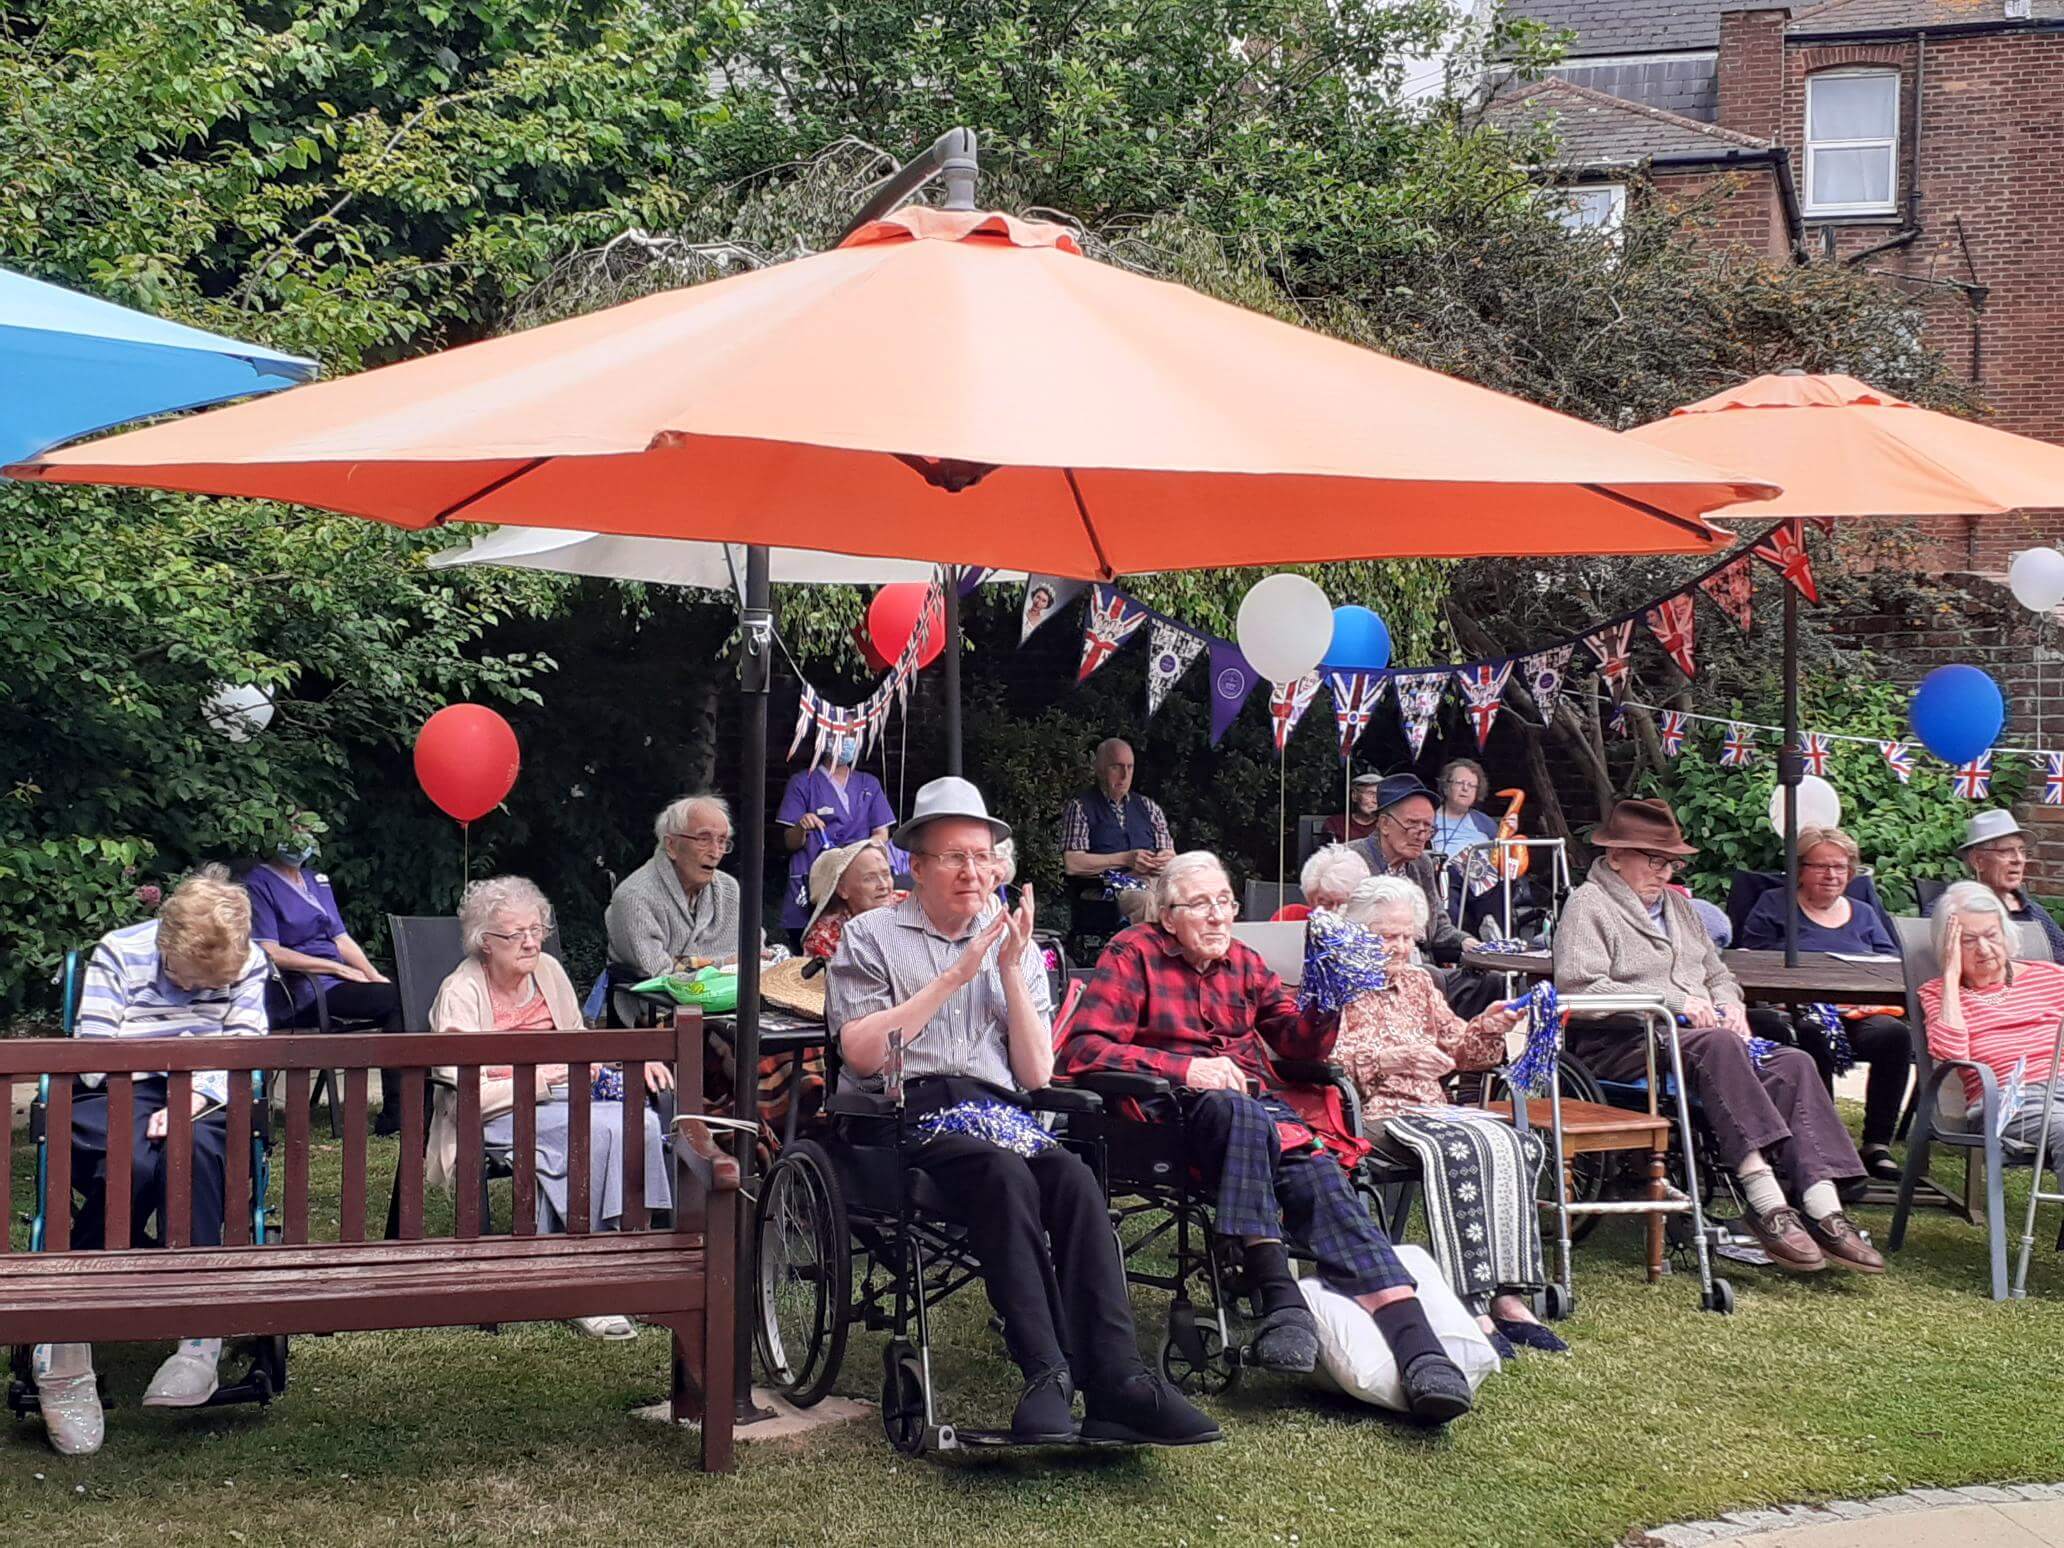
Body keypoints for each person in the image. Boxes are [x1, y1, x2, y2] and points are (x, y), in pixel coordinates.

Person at [827, 776, 1219, 1446]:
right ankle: (1046, 1373)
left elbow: (1036, 1075)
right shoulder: (870, 935)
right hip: (903, 1115)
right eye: (954, 857)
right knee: (1002, 1173)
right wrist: (953, 977)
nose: (973, 872)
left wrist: (1010, 967)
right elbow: (862, 1054)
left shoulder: (1016, 941)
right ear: (916, 865)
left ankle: (1119, 1381)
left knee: (1071, 1177)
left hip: (999, 1111)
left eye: (982, 857)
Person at [1058, 850, 1479, 1425]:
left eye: (1224, 902)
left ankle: (1419, 1347)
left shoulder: (1244, 962)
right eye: (1200, 904)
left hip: (1252, 1121)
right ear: (1166, 915)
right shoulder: (1133, 952)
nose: (1217, 916)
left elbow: (1298, 1043)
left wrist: (1327, 1000)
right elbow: (1083, 1048)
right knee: (1240, 1108)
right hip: (1161, 1124)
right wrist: (1185, 1069)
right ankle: (1278, 1295)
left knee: (1318, 1174)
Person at [1554, 798, 1883, 1274]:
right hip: (1623, 1043)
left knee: (1793, 1063)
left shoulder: (1678, 908)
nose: (1664, 871)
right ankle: (1766, 1202)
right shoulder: (1589, 905)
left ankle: (1823, 1204)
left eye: (1670, 862)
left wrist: (1731, 1005)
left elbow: (1717, 973)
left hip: (1697, 1041)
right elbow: (1580, 986)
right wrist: (1673, 1002)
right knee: (1720, 1046)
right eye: (1653, 860)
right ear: (1616, 855)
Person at [32, 871, 270, 1456]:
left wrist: (190, 1099)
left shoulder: (249, 960)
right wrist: (153, 1097)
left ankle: (199, 1337)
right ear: (166, 943)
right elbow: (94, 1056)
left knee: (198, 1149)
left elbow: (244, 1050)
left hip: (210, 1087)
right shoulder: (120, 952)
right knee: (134, 1161)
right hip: (120, 1083)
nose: (195, 991)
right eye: (189, 977)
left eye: (211, 984)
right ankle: (66, 1339)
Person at [431, 875, 671, 1340]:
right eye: (516, 934)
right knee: (594, 1131)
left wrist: (625, 1062)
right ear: (485, 942)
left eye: (536, 929)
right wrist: (542, 1077)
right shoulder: (459, 992)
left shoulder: (549, 972)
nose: (530, 942)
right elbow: (460, 1082)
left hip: (565, 1095)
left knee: (639, 1121)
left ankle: (625, 1259)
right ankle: (579, 1284)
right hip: (498, 1109)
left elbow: (578, 1041)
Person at [1335, 877, 1563, 1355]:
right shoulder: (1335, 984)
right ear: (1356, 933)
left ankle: (1507, 1296)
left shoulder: (1419, 983)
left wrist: (1489, 1026)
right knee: (1458, 1148)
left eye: (1407, 936)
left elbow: (1460, 1048)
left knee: (1517, 1142)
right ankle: (1470, 1303)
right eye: (1386, 936)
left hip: (1431, 1109)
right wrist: (1393, 1060)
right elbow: (1326, 1061)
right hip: (1373, 1113)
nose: (1400, 947)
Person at [1737, 825, 1913, 1180]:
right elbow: (1751, 957)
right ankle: (1820, 1140)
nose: (1832, 875)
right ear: (1800, 870)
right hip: (1794, 1012)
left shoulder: (1864, 913)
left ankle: (1876, 1143)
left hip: (1856, 1011)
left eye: (1840, 867)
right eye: (1821, 866)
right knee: (1812, 1031)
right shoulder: (1774, 905)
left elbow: (1891, 962)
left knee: (1895, 1035)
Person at [241, 818, 406, 1133]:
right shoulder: (257, 883)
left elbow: (340, 938)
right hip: (303, 988)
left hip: (338, 983)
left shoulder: (316, 880)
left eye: (306, 830)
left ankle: (410, 1105)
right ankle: (396, 1114)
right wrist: (337, 968)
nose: (300, 838)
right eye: (293, 830)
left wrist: (371, 974)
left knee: (404, 994)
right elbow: (270, 951)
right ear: (274, 834)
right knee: (397, 1000)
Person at [1920, 881, 2064, 1183]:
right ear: (1949, 946)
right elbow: (1951, 1054)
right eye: (1968, 941)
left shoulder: (2052, 977)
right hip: (2010, 1101)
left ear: (2006, 934)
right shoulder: (1940, 994)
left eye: (1991, 935)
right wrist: (1951, 976)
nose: (1984, 949)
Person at [606, 794, 765, 977]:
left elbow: (755, 952)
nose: (715, 853)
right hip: (657, 995)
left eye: (721, 841)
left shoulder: (728, 889)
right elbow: (657, 971)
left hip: (726, 994)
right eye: (703, 839)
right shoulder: (634, 898)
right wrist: (722, 965)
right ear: (671, 846)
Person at [776, 736, 894, 947]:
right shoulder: (802, 783)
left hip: (859, 880)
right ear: (822, 738)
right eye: (838, 734)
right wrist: (802, 826)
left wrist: (858, 856)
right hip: (812, 876)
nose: (846, 740)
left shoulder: (869, 784)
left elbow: (881, 835)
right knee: (808, 948)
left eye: (851, 734)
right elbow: (790, 842)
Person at [1059, 738, 1175, 951]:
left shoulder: (1148, 807)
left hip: (1154, 878)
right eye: (1116, 767)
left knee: (1191, 894)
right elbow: (1072, 863)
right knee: (1145, 898)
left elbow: (1170, 854)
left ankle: (1192, 960)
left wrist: (1162, 859)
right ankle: (1154, 960)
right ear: (1100, 769)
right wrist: (1126, 859)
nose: (1124, 775)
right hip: (1109, 881)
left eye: (1129, 767)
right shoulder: (1081, 807)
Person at [1348, 774, 1476, 966]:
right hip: (1374, 967)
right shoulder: (1350, 860)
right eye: (1412, 824)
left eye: (1427, 827)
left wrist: (1468, 943)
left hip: (1422, 964)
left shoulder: (1422, 863)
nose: (1421, 835)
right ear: (1384, 824)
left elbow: (1439, 928)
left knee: (1492, 978)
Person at [1958, 811, 2064, 963]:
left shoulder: (2033, 912)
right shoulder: (1953, 909)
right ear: (1977, 860)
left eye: (2022, 851)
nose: (2019, 859)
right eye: (2006, 851)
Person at [801, 839, 901, 960]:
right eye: (869, 878)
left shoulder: (908, 903)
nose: (883, 885)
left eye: (886, 874)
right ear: (842, 889)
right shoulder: (824, 939)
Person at [1282, 844, 1372, 921]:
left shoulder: (1372, 926)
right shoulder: (1292, 917)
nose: (1335, 912)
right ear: (1311, 901)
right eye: (1326, 904)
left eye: (1343, 904)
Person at [1431, 759, 1498, 861]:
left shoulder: (1486, 823)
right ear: (1446, 787)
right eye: (1459, 783)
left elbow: (1500, 856)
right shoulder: (1428, 818)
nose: (1465, 789)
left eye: (1471, 785)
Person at [1320, 772, 1384, 846]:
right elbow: (1329, 851)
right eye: (1370, 794)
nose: (1375, 800)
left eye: (1379, 795)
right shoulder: (1335, 824)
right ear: (1354, 796)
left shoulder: (1386, 824)